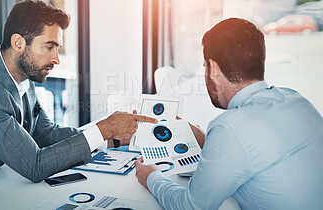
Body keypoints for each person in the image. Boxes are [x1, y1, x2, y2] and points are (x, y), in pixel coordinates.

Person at [0, 0, 157, 209]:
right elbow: (35, 165)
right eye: (49, 47)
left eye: (57, 49)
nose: (56, 58)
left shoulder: (22, 72)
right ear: (18, 43)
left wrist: (108, 138)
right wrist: (103, 128)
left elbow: (46, 133)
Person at [135, 18, 323, 209]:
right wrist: (207, 140)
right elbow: (259, 153)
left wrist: (151, 176)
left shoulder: (230, 127)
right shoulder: (295, 98)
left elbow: (190, 206)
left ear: (214, 69)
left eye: (205, 67)